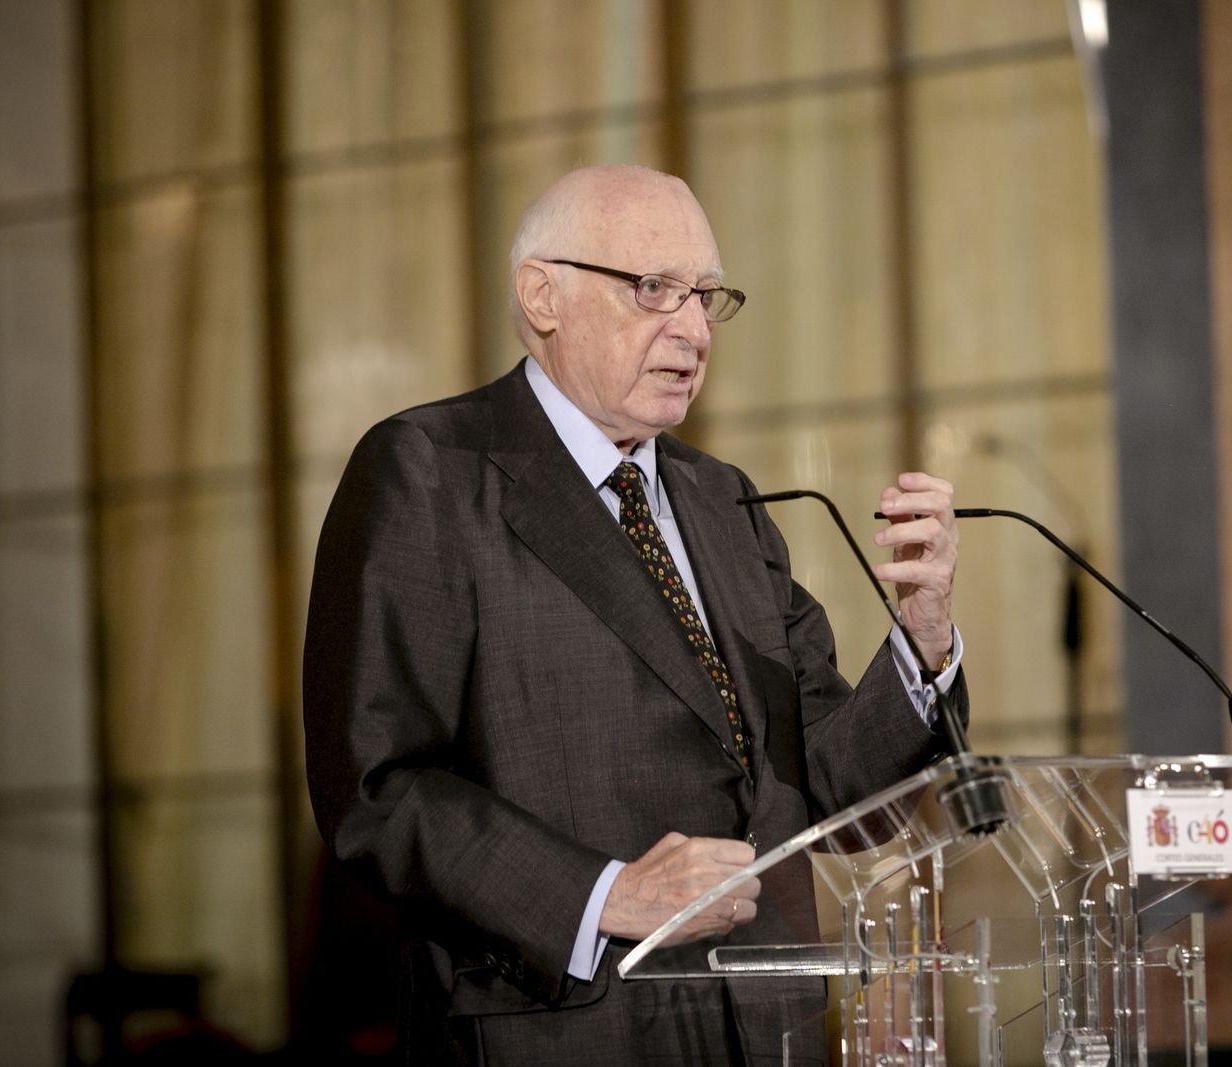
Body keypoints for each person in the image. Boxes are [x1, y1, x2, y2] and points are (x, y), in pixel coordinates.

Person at [303, 164, 966, 1065]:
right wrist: (603, 894)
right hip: (567, 1023)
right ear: (543, 295)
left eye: (707, 298)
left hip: (768, 1024)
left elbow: (834, 785)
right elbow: (377, 789)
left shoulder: (720, 498)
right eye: (655, 290)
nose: (693, 330)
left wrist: (922, 642)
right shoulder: (431, 470)